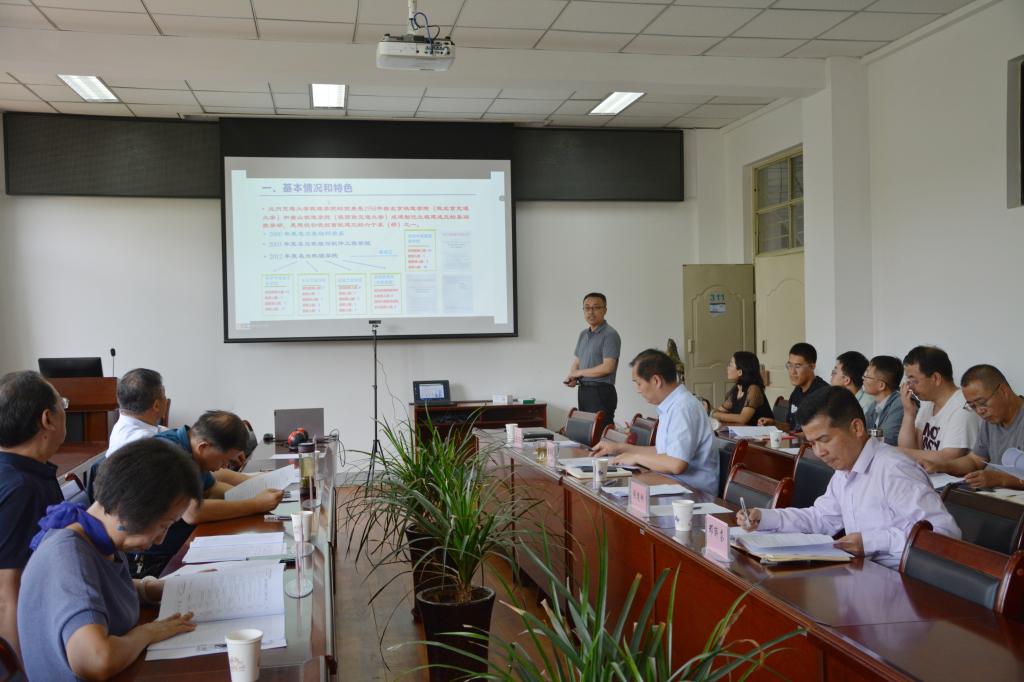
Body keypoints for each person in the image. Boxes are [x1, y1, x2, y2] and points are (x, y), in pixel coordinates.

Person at [19, 439, 201, 681]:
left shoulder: (95, 535)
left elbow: (97, 589)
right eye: (163, 526)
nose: (160, 539)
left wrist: (151, 589)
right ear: (127, 509)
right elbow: (96, 661)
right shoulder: (68, 556)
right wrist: (149, 632)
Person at [738, 387, 960, 569]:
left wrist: (870, 542)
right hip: (866, 575)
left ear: (856, 427)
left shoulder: (894, 469)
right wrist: (764, 518)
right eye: (813, 443)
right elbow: (821, 518)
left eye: (825, 440)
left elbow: (944, 535)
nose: (819, 452)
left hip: (904, 582)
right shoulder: (845, 469)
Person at [128, 410, 283, 577]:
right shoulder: (170, 454)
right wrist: (256, 505)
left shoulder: (190, 446)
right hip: (157, 560)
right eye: (224, 459)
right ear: (203, 447)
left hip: (185, 543)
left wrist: (254, 495)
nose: (224, 466)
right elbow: (193, 513)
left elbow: (212, 488)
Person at [0, 370, 66, 657]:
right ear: (47, 419)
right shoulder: (23, 489)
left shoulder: (23, 473)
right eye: (62, 404)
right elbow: (7, 594)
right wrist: (21, 672)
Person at [591, 349, 718, 495]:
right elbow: (663, 452)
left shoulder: (683, 407)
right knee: (612, 485)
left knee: (614, 490)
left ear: (656, 381)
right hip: (672, 483)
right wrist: (619, 448)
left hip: (693, 493)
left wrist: (636, 457)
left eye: (638, 383)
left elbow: (676, 464)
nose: (637, 390)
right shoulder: (672, 404)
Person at [922, 365, 1024, 490]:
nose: (980, 411)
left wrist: (1000, 479)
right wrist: (942, 466)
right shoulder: (991, 419)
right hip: (989, 495)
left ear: (1003, 391)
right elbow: (975, 460)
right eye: (973, 406)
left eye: (982, 403)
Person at [897, 345, 979, 467]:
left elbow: (949, 457)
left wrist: (896, 451)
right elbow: (912, 449)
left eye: (913, 380)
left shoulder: (963, 407)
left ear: (936, 378)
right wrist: (909, 413)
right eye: (908, 381)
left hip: (949, 477)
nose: (910, 387)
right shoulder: (928, 403)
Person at [565, 292, 621, 425]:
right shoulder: (583, 334)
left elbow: (608, 367)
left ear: (605, 310)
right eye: (587, 308)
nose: (591, 312)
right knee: (586, 432)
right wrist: (573, 377)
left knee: (599, 432)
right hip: (584, 390)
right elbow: (577, 361)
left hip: (601, 392)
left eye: (596, 307)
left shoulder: (610, 335)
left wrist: (578, 373)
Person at [757, 342, 829, 432]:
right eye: (790, 365)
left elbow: (818, 433)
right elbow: (791, 427)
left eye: (797, 366)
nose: (792, 372)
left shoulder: (824, 393)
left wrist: (791, 436)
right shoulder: (797, 391)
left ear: (812, 366)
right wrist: (774, 424)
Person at [107, 368, 169, 454]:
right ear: (156, 405)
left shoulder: (121, 427)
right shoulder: (147, 443)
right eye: (164, 395)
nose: (166, 400)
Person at [710, 351, 772, 425]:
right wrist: (709, 408)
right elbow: (719, 410)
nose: (727, 368)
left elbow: (742, 419)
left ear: (740, 372)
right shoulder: (737, 389)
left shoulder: (754, 389)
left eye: (730, 365)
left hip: (764, 431)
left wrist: (714, 414)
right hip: (745, 431)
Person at [863, 355, 905, 446]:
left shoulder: (900, 404)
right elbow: (863, 428)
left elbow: (889, 438)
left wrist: (867, 432)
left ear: (881, 385)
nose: (863, 379)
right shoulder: (874, 404)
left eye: (867, 376)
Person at [831, 351, 874, 416]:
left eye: (834, 372)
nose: (831, 375)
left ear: (847, 380)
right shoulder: (840, 400)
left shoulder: (868, 405)